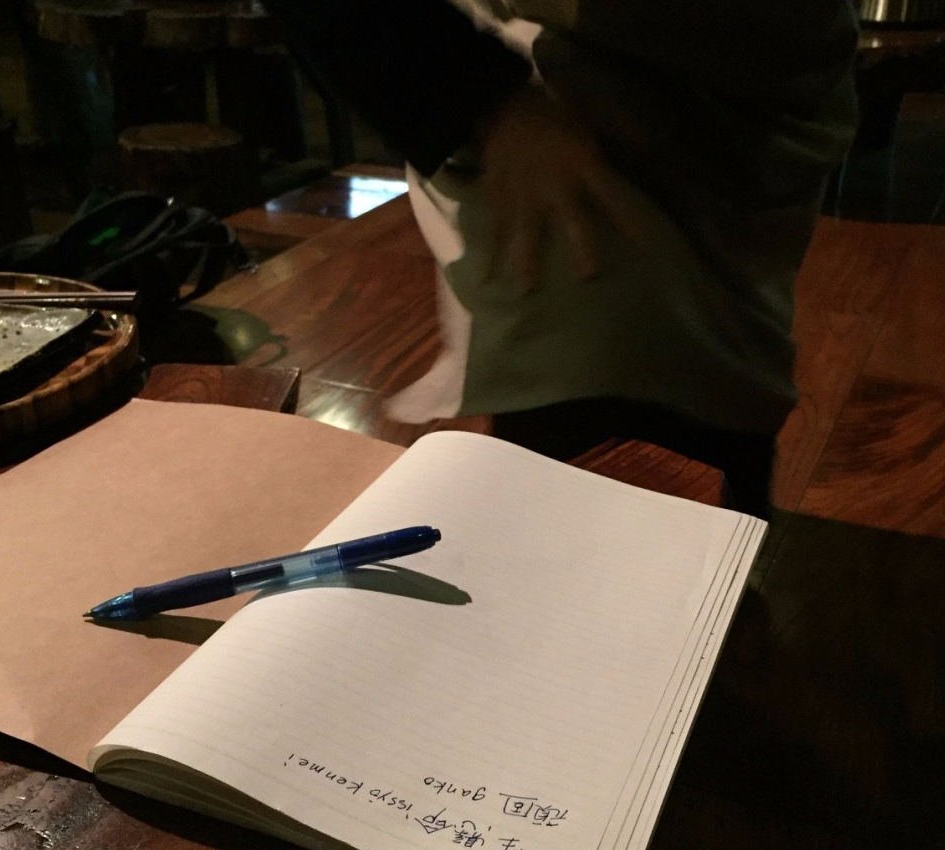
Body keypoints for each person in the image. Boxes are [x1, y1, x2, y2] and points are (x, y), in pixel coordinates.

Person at [262, 0, 861, 519]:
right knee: (616, 403)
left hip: (756, 99)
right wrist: (483, 99)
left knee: (711, 404)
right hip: (568, 110)